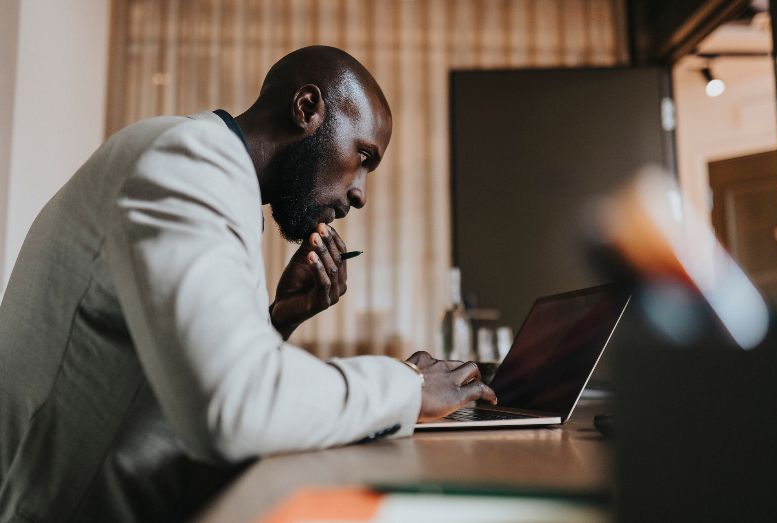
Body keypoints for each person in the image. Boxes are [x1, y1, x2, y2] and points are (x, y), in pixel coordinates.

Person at [0, 46, 496, 522]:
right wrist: (406, 387)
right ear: (307, 108)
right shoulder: (189, 162)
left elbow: (183, 374)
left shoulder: (209, 172)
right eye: (362, 156)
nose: (360, 194)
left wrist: (278, 319)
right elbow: (229, 408)